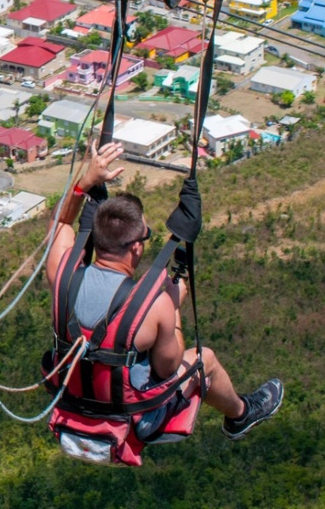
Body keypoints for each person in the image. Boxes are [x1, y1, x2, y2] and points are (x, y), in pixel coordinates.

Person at [47, 142, 282, 441]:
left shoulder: (62, 273)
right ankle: (240, 414)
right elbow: (168, 370)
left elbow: (62, 222)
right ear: (136, 246)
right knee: (204, 358)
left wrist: (86, 182)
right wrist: (173, 308)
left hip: (73, 402)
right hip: (132, 417)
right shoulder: (153, 306)